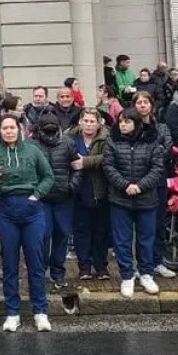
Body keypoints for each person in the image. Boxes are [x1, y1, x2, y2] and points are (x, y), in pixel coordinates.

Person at [0, 115, 54, 332]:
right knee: (9, 263)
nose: (9, 131)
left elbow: (48, 177)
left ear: (20, 129)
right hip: (6, 211)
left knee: (35, 262)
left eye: (12, 127)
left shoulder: (33, 151)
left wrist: (36, 195)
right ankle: (12, 313)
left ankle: (40, 311)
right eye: (5, 128)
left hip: (32, 211)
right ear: (0, 131)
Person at [103, 108, 166, 298]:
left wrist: (140, 186)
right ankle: (127, 275)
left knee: (146, 238)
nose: (123, 125)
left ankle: (146, 274)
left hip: (146, 199)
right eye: (121, 121)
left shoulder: (151, 140)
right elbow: (108, 166)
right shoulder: (112, 141)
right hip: (120, 199)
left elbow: (157, 168)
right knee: (122, 240)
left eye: (127, 122)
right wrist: (125, 185)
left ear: (136, 123)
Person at [29, 111, 80, 289]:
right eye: (46, 131)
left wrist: (72, 185)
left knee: (63, 234)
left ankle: (58, 271)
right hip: (41, 199)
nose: (49, 136)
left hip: (64, 197)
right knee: (42, 236)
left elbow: (77, 167)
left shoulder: (67, 143)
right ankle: (40, 270)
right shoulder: (31, 145)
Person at [132, 90, 176, 280]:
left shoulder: (162, 128)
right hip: (135, 181)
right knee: (138, 228)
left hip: (157, 181)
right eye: (139, 102)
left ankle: (156, 261)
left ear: (152, 105)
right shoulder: (129, 126)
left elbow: (166, 150)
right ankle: (140, 264)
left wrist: (147, 154)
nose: (142, 105)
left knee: (157, 224)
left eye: (146, 102)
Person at [68, 108, 111, 281]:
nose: (88, 124)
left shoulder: (106, 138)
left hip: (100, 191)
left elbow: (108, 157)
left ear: (99, 124)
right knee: (81, 231)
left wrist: (85, 162)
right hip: (78, 192)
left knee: (101, 232)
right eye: (85, 121)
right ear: (80, 122)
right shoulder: (70, 138)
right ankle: (84, 267)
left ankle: (101, 267)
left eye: (92, 121)